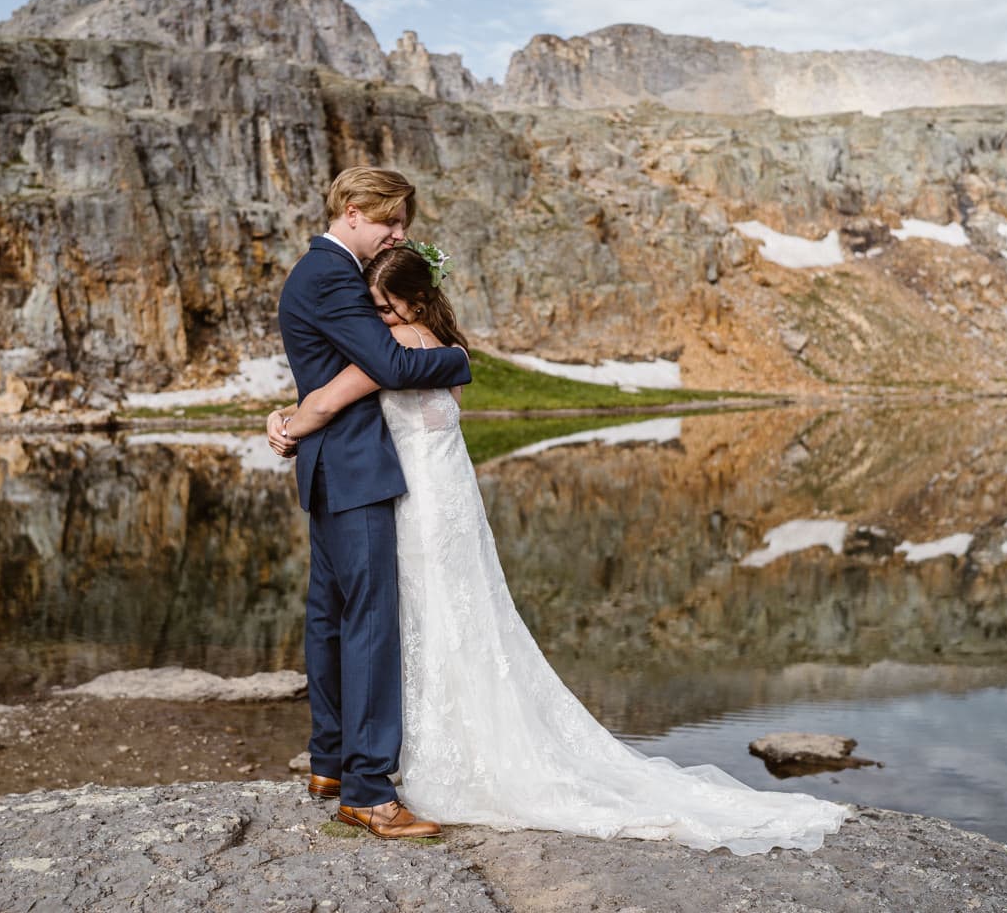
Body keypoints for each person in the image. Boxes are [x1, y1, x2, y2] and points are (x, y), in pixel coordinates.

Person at [270, 245, 851, 853]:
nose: (377, 322)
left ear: (415, 301)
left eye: (385, 309)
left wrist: (285, 424)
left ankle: (413, 754)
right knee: (447, 617)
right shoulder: (441, 347)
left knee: (419, 618)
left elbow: (331, 401)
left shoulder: (396, 352)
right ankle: (420, 746)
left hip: (418, 503)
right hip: (444, 498)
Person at [270, 166, 471, 841]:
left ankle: (329, 760)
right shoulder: (330, 275)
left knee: (329, 617)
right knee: (371, 624)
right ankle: (367, 791)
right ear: (354, 210)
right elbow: (390, 364)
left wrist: (297, 417)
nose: (398, 235)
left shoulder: (316, 272)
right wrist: (460, 358)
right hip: (356, 469)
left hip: (335, 465)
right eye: (390, 221)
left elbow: (333, 375)